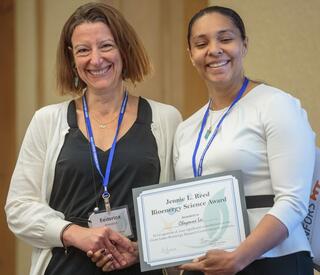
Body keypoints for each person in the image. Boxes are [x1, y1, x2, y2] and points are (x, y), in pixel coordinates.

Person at [5, 2, 181, 275]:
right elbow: (18, 208)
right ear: (72, 59)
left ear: (124, 49)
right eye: (83, 50)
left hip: (138, 267)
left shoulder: (166, 119)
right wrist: (75, 233)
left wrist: (141, 251)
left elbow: (179, 208)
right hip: (66, 265)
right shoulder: (46, 120)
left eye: (106, 46)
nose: (95, 59)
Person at [173, 6, 315, 275]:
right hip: (210, 265)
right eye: (201, 43)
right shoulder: (186, 127)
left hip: (273, 261)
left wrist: (238, 257)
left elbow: (294, 201)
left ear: (244, 44)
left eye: (225, 39)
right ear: (191, 55)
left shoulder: (276, 105)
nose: (214, 50)